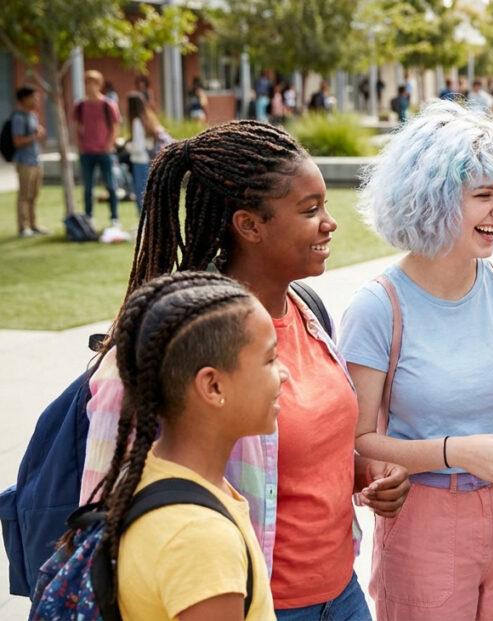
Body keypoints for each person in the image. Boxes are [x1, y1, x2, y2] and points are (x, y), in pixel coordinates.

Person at [79, 120, 411, 620]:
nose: (329, 223)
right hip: (246, 603)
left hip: (341, 596)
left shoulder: (310, 311)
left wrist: (366, 473)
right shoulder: (180, 340)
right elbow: (111, 506)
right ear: (249, 225)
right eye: (309, 209)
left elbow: (309, 450)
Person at [340, 100, 493, 620]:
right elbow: (358, 439)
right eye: (483, 195)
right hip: (423, 521)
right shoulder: (377, 306)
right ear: (429, 198)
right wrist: (455, 452)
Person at [101, 272, 281, 620]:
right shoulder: (199, 539)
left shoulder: (161, 471)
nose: (283, 375)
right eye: (270, 360)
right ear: (213, 386)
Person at [75, 69, 122, 229]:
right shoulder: (80, 105)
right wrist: (80, 145)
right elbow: (77, 127)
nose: (89, 86)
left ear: (99, 85)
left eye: (92, 83)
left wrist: (108, 145)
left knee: (111, 186)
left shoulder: (108, 104)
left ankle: (114, 218)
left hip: (104, 153)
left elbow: (116, 127)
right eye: (86, 83)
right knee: (88, 188)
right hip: (87, 153)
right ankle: (88, 218)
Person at [11, 85, 47, 237]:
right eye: (33, 97)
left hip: (35, 159)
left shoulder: (33, 115)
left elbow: (36, 133)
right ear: (24, 99)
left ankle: (33, 225)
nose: (36, 100)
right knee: (24, 195)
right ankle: (23, 227)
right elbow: (17, 141)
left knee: (34, 195)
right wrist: (34, 136)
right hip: (24, 161)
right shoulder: (18, 117)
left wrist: (39, 132)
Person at [125, 91, 157, 214]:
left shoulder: (136, 122)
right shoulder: (147, 119)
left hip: (139, 161)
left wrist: (127, 147)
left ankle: (143, 222)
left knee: (140, 193)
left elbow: (138, 147)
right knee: (148, 192)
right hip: (148, 160)